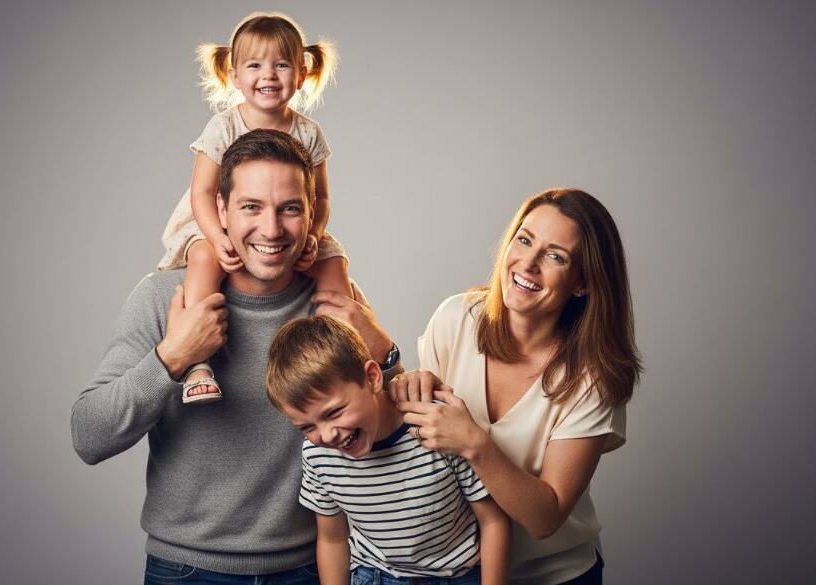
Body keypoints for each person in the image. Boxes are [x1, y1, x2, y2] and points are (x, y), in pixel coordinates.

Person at [71, 129, 400, 584]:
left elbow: (391, 423)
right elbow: (88, 436)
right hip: (187, 570)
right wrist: (174, 356)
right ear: (220, 210)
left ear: (312, 214)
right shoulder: (165, 299)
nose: (271, 229)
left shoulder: (335, 302)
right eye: (251, 207)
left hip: (311, 568)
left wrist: (387, 352)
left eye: (290, 208)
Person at [389, 189, 642, 585]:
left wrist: (474, 442)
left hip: (554, 576)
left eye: (556, 256)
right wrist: (410, 385)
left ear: (582, 283)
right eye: (524, 240)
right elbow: (423, 454)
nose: (528, 263)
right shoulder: (456, 318)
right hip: (456, 575)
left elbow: (545, 518)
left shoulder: (593, 378)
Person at [158, 11, 350, 404]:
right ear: (233, 75)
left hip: (297, 224)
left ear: (302, 74)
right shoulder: (224, 127)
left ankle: (339, 354)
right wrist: (217, 236)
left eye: (281, 65)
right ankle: (197, 362)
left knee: (335, 263)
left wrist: (313, 235)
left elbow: (321, 198)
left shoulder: (309, 132)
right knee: (204, 258)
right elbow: (202, 193)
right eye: (255, 65)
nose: (269, 75)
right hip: (214, 219)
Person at [266, 315, 511, 585]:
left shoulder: (438, 426)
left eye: (334, 412)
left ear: (372, 378)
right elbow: (332, 539)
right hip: (374, 576)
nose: (327, 435)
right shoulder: (317, 455)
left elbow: (493, 522)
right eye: (307, 427)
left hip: (458, 576)